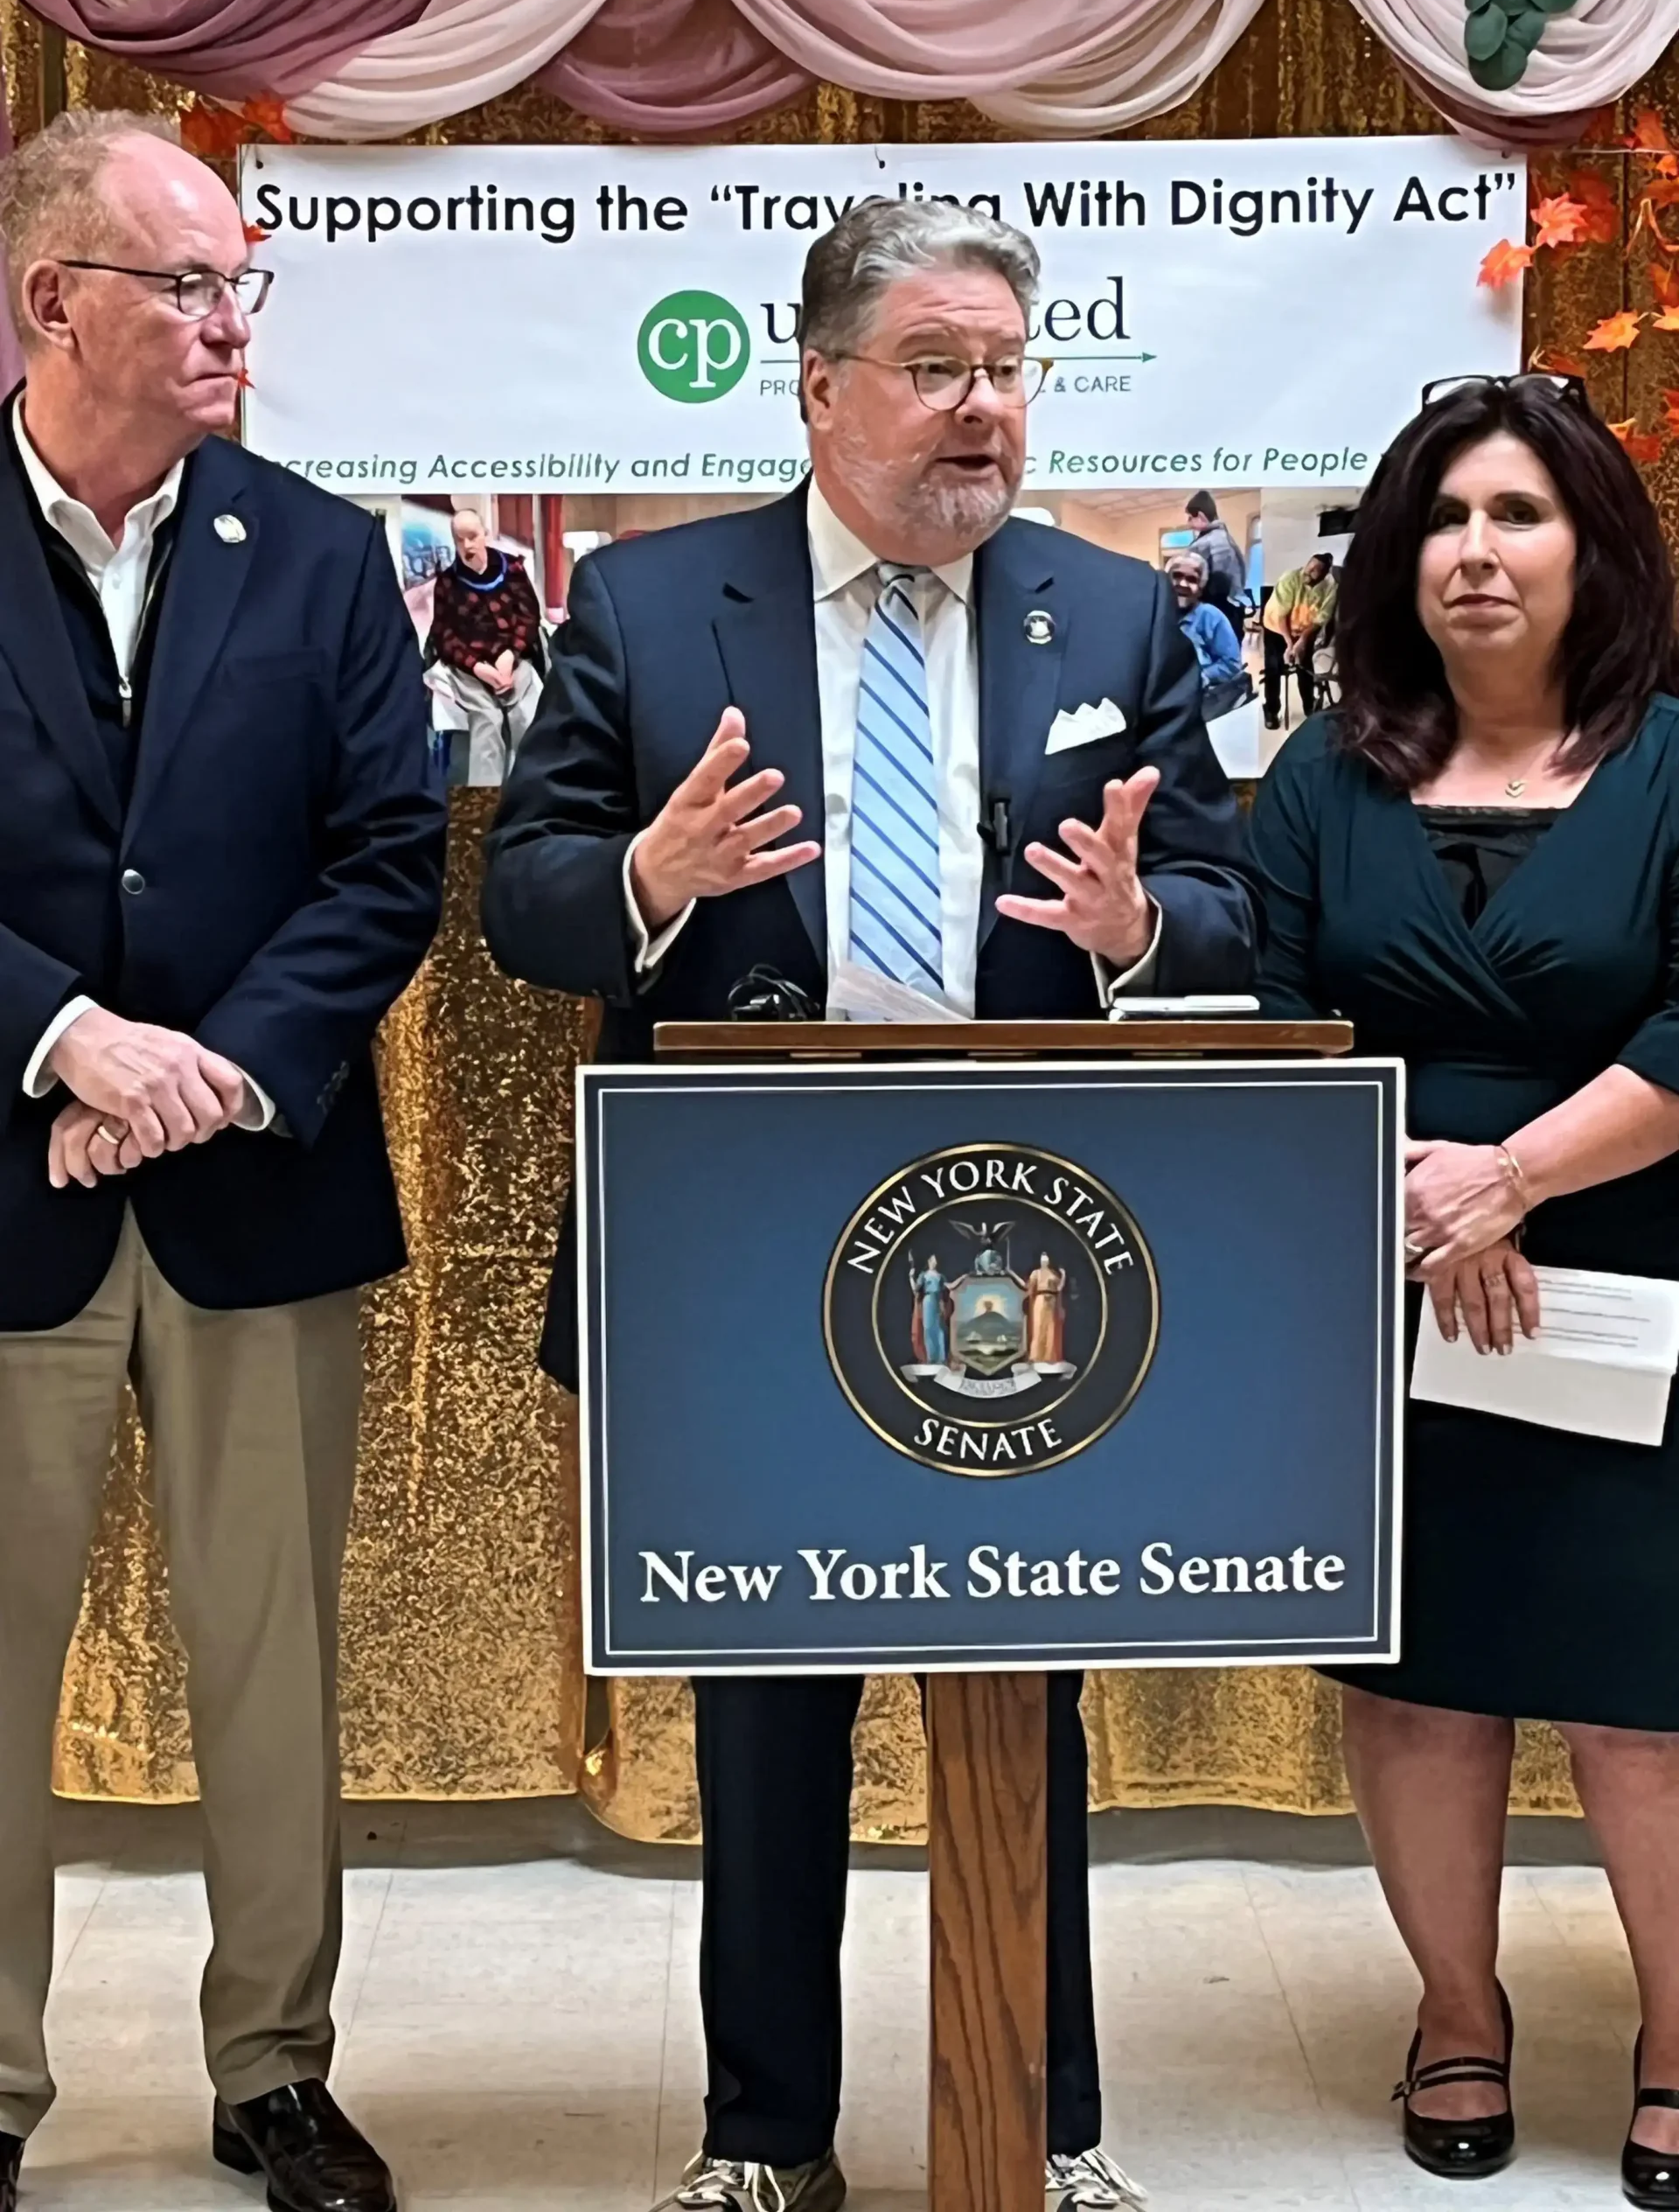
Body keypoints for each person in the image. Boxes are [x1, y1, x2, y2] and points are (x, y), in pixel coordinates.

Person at [482, 196, 1257, 2212]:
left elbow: (1243, 908)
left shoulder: (1113, 612)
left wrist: (1138, 927)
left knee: (1029, 1682)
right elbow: (520, 893)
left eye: (1005, 367)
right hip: (743, 1232)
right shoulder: (654, 609)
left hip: (1031, 1237)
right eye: (934, 367)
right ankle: (765, 2131)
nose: (979, 408)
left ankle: (1042, 2114)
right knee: (767, 1700)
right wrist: (648, 876)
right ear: (819, 385)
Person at [0, 113, 445, 2212]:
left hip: (252, 1189)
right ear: (49, 299)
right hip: (9, 1183)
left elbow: (384, 865)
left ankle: (275, 2067)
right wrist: (64, 1035)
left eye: (239, 285)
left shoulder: (327, 550)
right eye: (185, 286)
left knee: (273, 1660)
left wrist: (207, 1072)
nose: (226, 326)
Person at [1250, 371, 1679, 2207]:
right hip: (1389, 1274)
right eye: (1441, 519)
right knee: (1421, 1683)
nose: (1475, 554)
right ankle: (1455, 2010)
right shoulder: (1319, 775)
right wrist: (1435, 1192)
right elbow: (1273, 1021)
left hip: (1642, 1279)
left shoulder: (1674, 756)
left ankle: (1675, 2039)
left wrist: (1518, 1173)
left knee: (1642, 1696)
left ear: (1597, 548)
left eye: (1518, 515)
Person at [426, 506, 545, 783]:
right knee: (487, 720)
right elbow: (444, 637)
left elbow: (529, 618)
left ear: (485, 535)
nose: (467, 545)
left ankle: (532, 799)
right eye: (460, 539)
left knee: (525, 720)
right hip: (469, 670)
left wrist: (510, 655)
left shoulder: (513, 570)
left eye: (472, 536)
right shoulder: (447, 583)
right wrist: (477, 667)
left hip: (512, 662)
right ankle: (482, 811)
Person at [1166, 549, 1248, 718]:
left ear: (1200, 589)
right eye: (1177, 576)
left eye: (1192, 579)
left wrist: (1198, 678)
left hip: (1196, 703)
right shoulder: (1154, 613)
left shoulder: (1210, 617)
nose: (1182, 583)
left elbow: (1231, 665)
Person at [1261, 551, 1336, 729]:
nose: (1308, 571)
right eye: (1309, 566)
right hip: (1276, 628)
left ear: (1325, 574)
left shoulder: (1330, 588)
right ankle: (1271, 710)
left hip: (1303, 630)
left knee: (1305, 668)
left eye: (1316, 570)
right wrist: (1289, 644)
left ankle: (1309, 707)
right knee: (1274, 668)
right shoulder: (1291, 579)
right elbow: (1281, 616)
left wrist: (1302, 641)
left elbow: (1320, 619)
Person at [1184, 487, 1247, 638]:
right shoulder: (1220, 538)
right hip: (1226, 611)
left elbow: (1220, 585)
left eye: (1190, 518)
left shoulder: (1216, 541)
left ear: (1199, 515)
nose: (1189, 523)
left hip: (1220, 612)